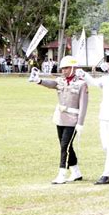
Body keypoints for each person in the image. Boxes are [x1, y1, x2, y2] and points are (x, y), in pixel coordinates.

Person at [28, 55, 88, 184]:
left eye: (66, 68)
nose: (63, 71)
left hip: (73, 119)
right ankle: (76, 172)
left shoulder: (81, 83)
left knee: (65, 146)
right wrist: (38, 80)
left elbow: (84, 104)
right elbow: (51, 84)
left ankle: (62, 174)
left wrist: (80, 122)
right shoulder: (61, 80)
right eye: (62, 68)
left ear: (73, 68)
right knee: (65, 145)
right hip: (60, 118)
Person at [77, 54, 109, 184]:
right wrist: (83, 74)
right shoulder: (106, 79)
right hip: (104, 114)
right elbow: (94, 83)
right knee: (106, 146)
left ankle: (106, 175)